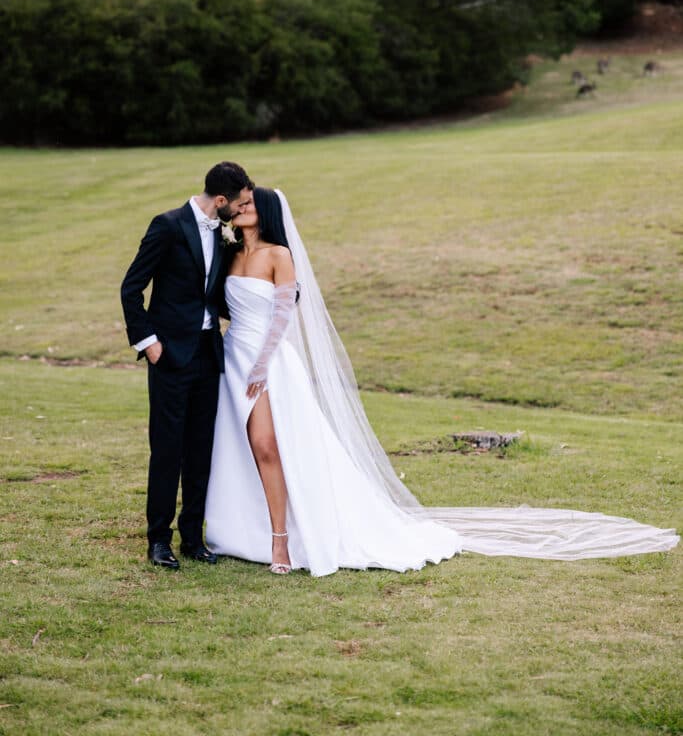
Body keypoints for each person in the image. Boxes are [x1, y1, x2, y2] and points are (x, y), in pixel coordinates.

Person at [205, 189, 679, 577]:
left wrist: (263, 363)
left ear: (263, 210)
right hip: (233, 357)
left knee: (271, 446)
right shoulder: (228, 254)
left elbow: (284, 314)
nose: (240, 208)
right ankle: (243, 527)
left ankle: (282, 540)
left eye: (247, 203)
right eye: (236, 205)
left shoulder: (278, 254)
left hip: (268, 364)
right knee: (241, 446)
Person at [121, 161, 253, 569]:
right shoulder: (167, 225)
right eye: (240, 204)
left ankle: (193, 537)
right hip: (170, 356)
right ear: (220, 201)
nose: (242, 210)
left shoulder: (224, 234)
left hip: (208, 354)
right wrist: (149, 343)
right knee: (167, 450)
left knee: (201, 449)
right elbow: (131, 288)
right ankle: (158, 539)